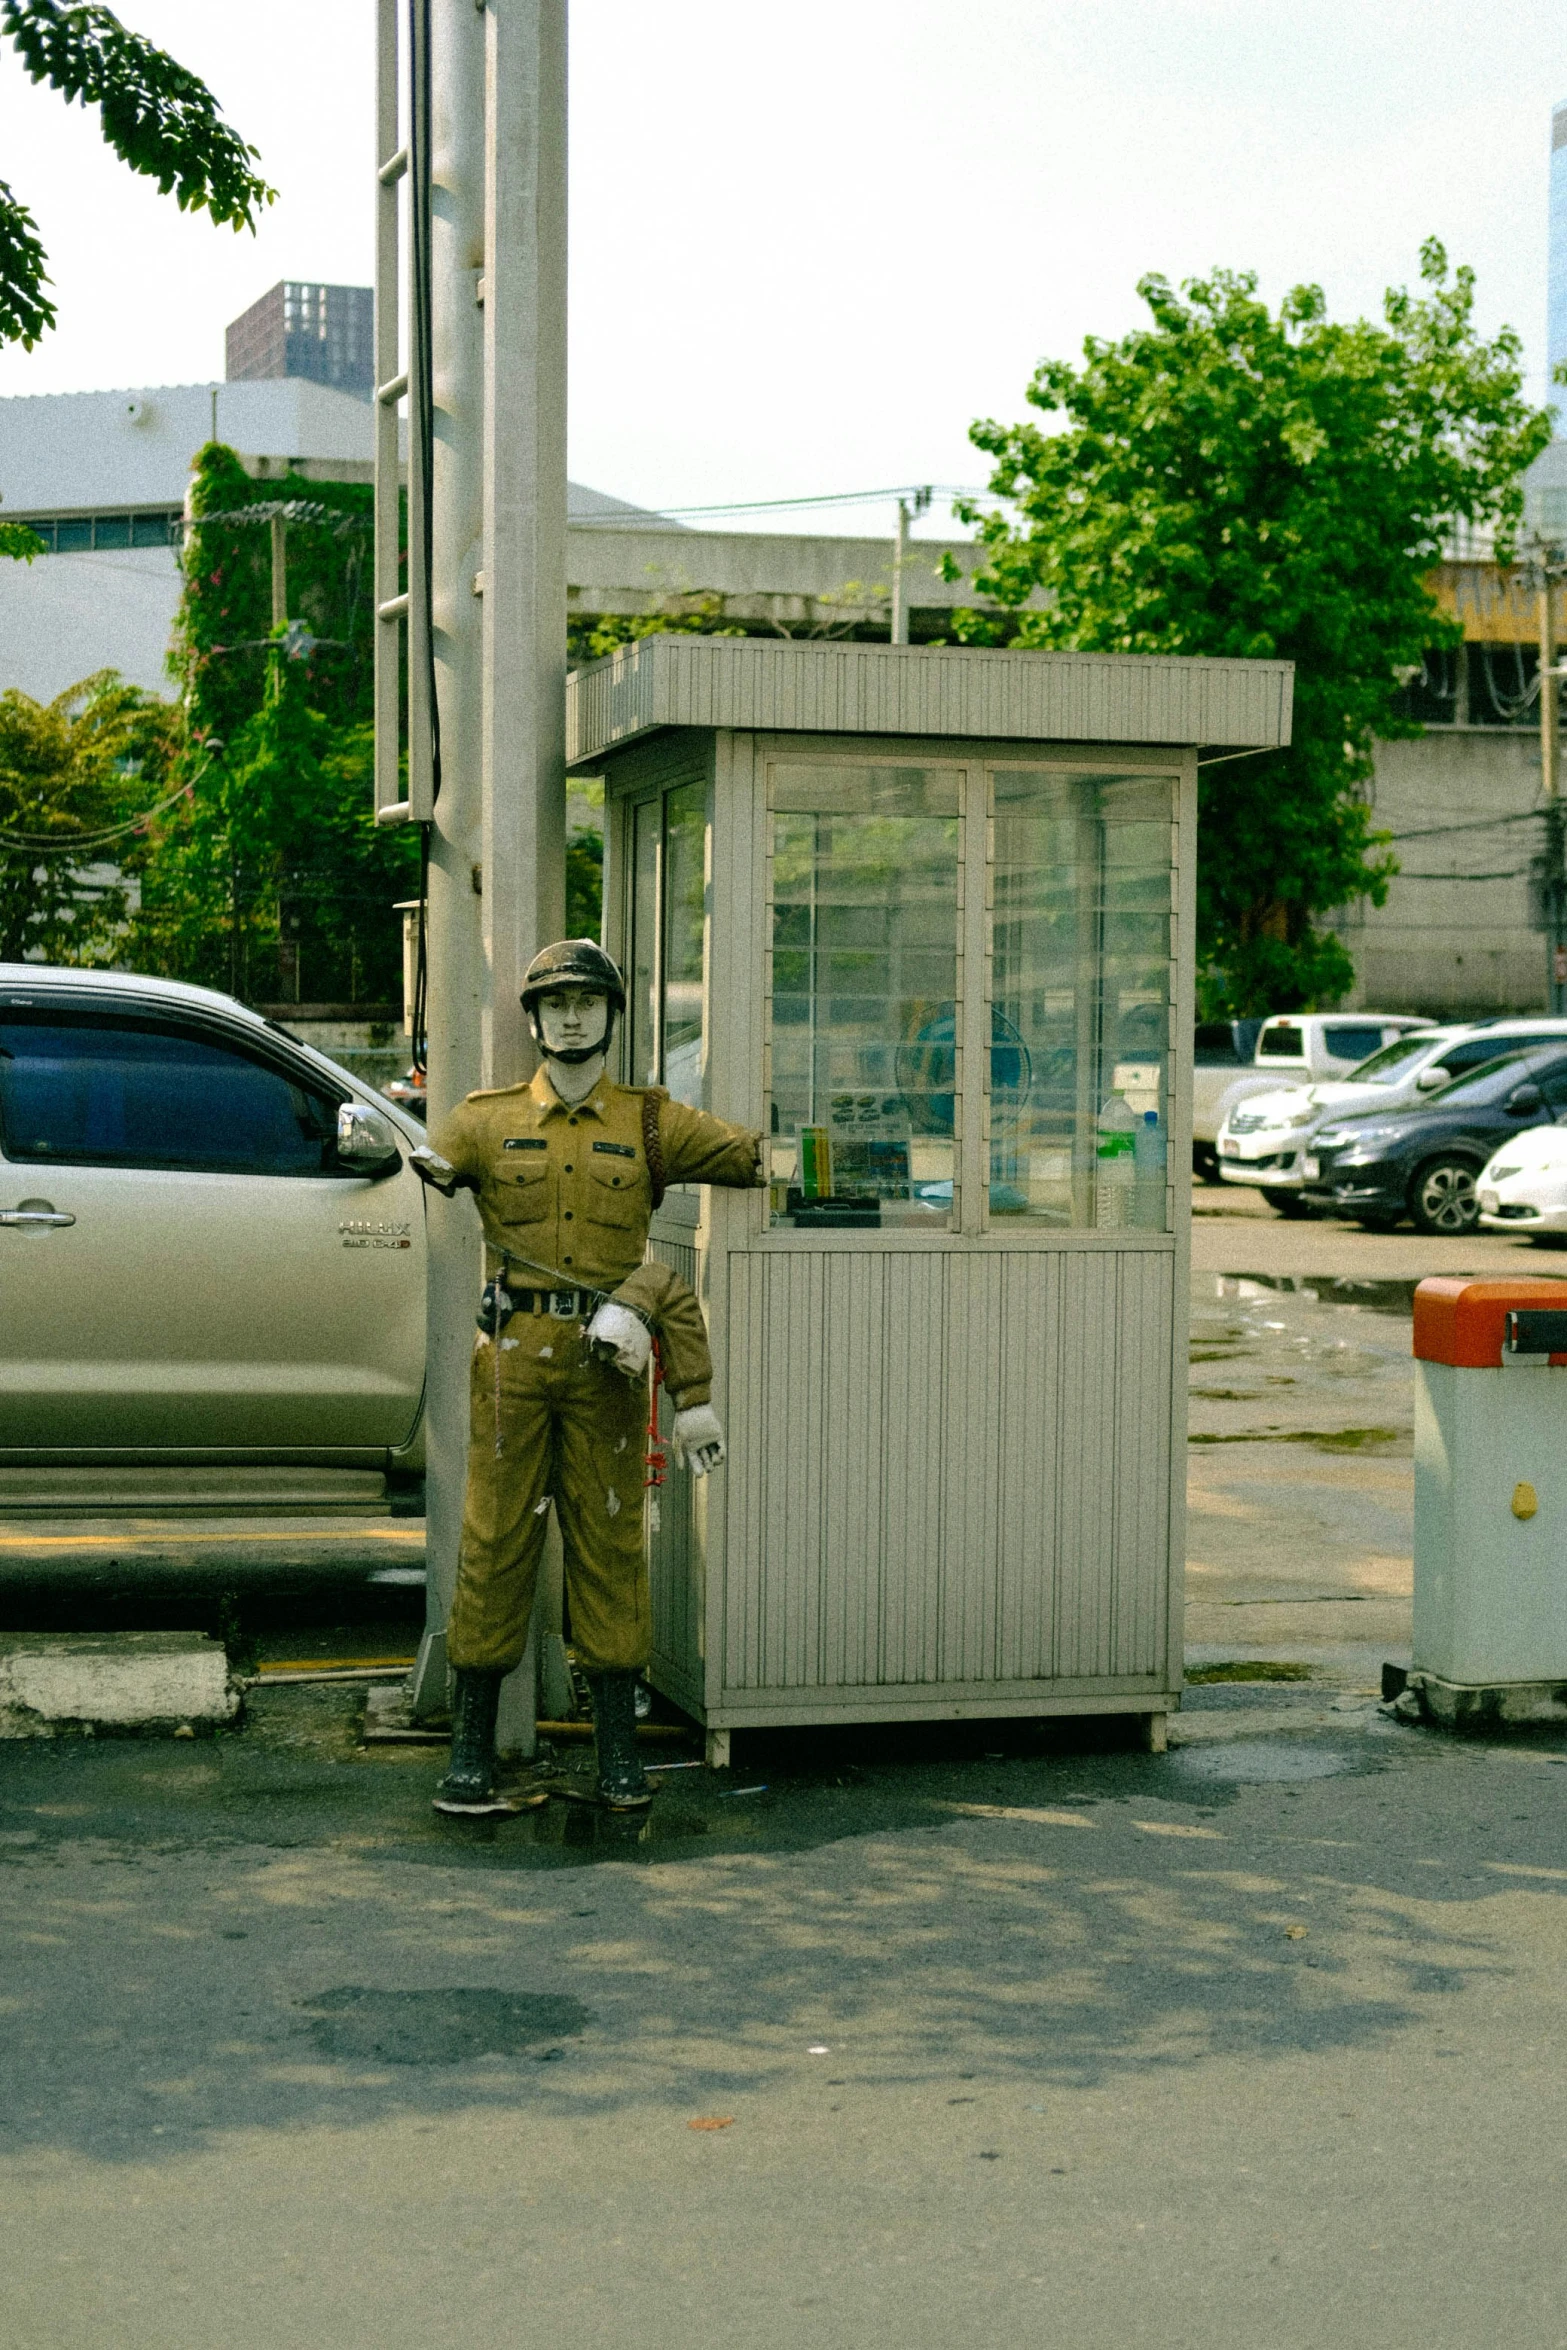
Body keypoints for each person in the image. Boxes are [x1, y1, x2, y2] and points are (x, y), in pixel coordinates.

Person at [410, 939, 761, 1814]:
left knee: (610, 1544)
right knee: (493, 1541)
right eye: (556, 1002)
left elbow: (757, 1158)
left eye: (588, 1002)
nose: (572, 1016)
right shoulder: (480, 1122)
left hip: (608, 1364)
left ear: (612, 1015)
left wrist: (852, 1145)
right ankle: (470, 1751)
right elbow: (424, 1166)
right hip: (512, 1362)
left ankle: (616, 1755)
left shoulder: (649, 1121)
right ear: (532, 1018)